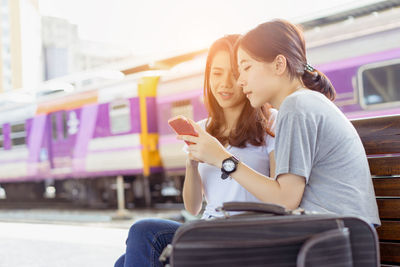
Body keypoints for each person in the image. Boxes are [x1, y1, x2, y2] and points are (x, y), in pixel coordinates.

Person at [178, 19, 380, 227]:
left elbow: (285, 201)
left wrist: (222, 158)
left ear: (279, 65)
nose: (240, 81)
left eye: (245, 68)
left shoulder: (296, 107)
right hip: (338, 232)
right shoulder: (303, 103)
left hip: (336, 237)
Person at [114, 34, 277, 267]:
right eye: (217, 73)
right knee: (124, 261)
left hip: (245, 232)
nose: (224, 83)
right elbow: (193, 207)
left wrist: (221, 157)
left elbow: (280, 196)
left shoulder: (270, 124)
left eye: (234, 73)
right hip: (207, 230)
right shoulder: (202, 129)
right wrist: (191, 163)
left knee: (143, 231)